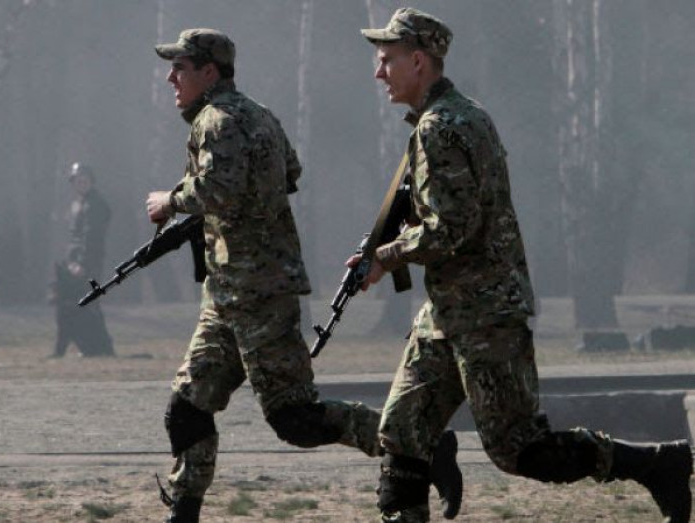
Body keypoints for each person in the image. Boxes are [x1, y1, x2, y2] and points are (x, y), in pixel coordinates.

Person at [357, 8, 693, 523]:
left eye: (387, 60)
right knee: (401, 429)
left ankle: (655, 464)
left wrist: (386, 256)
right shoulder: (461, 116)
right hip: (448, 313)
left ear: (418, 62)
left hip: (485, 315)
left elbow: (452, 228)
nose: (379, 72)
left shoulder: (441, 129)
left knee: (520, 449)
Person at [145, 28, 461, 523]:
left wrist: (171, 199)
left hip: (257, 295)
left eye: (180, 68)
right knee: (187, 405)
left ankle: (420, 445)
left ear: (209, 73)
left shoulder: (216, 119)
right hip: (230, 295)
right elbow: (289, 173)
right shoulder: (260, 116)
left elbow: (220, 189)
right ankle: (184, 512)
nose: (171, 79)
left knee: (295, 417)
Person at [51, 162, 115, 358]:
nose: (81, 184)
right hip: (76, 261)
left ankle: (102, 347)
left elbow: (91, 238)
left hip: (88, 263)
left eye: (84, 180)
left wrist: (81, 263)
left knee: (90, 303)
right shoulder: (79, 204)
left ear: (91, 181)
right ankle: (95, 347)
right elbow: (74, 237)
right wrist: (71, 260)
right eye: (77, 181)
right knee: (79, 304)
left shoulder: (95, 205)